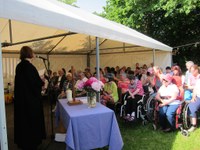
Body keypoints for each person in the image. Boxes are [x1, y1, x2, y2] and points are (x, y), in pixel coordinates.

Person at [14, 46, 46, 150]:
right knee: (31, 122)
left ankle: (23, 142)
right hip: (31, 101)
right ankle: (32, 142)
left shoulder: (19, 66)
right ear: (29, 53)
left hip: (21, 101)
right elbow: (34, 83)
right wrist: (42, 81)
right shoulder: (30, 67)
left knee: (23, 122)